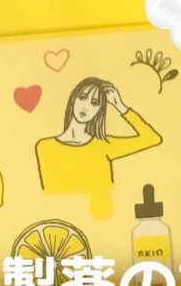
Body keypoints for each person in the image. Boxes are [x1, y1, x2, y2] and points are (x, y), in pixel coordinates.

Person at [35, 78, 161, 219]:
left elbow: (152, 138)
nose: (86, 107)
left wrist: (120, 106)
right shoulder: (45, 147)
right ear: (73, 99)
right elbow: (49, 197)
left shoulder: (104, 145)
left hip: (102, 219)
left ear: (98, 111)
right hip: (62, 222)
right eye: (83, 97)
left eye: (94, 103)